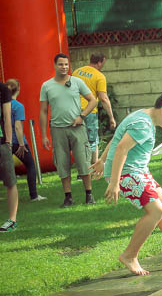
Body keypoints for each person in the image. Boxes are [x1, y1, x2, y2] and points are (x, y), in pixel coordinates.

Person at [93, 92, 162, 276]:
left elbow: (116, 138)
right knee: (156, 210)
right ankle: (129, 255)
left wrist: (102, 160)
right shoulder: (143, 125)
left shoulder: (142, 115)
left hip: (138, 171)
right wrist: (114, 182)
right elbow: (121, 148)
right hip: (126, 173)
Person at [40, 53, 98, 207]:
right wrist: (44, 135)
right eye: (60, 64)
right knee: (62, 163)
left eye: (66, 64)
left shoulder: (77, 82)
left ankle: (89, 195)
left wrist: (82, 116)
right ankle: (68, 197)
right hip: (57, 130)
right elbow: (44, 111)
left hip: (77, 128)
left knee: (83, 161)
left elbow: (93, 100)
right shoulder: (46, 86)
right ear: (55, 65)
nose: (64, 67)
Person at [6, 79, 46, 202]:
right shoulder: (18, 106)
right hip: (16, 142)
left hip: (4, 142)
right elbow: (18, 127)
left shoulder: (3, 105)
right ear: (18, 89)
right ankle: (34, 195)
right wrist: (22, 144)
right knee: (30, 165)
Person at [73, 53, 117, 163]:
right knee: (92, 141)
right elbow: (104, 98)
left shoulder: (76, 72)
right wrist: (111, 118)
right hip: (90, 111)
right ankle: (92, 167)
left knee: (78, 141)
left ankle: (82, 167)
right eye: (103, 63)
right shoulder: (99, 76)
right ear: (99, 62)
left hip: (74, 110)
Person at [0, 80, 19, 232]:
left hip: (2, 142)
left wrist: (8, 142)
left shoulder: (3, 89)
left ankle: (12, 220)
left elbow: (7, 117)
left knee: (10, 181)